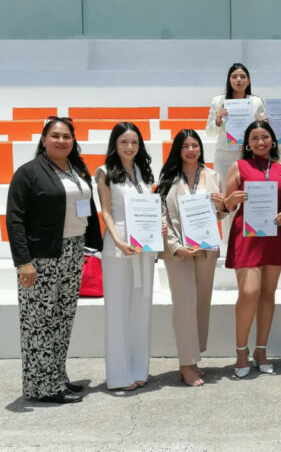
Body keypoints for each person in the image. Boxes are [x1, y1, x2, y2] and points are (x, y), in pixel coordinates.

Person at [7, 117, 102, 403]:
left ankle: (57, 377)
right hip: (41, 257)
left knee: (62, 319)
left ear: (73, 140)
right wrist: (24, 262)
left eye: (66, 136)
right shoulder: (29, 172)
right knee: (38, 322)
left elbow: (86, 208)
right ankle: (41, 387)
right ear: (44, 139)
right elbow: (15, 219)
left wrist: (93, 245)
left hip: (73, 252)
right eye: (55, 136)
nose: (61, 141)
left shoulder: (76, 169)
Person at [156, 129, 228, 387]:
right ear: (178, 149)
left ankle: (192, 358)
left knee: (200, 305)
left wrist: (222, 205)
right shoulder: (168, 179)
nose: (190, 150)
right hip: (178, 253)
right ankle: (186, 364)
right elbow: (162, 216)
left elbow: (220, 213)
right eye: (185, 145)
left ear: (200, 148)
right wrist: (176, 247)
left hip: (206, 250)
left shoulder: (213, 176)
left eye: (194, 145)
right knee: (184, 305)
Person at [223, 121, 281, 378]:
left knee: (267, 294)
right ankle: (241, 351)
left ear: (273, 140)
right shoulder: (239, 166)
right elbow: (225, 207)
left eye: (265, 137)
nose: (260, 142)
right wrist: (231, 200)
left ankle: (261, 351)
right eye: (254, 138)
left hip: (275, 233)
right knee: (249, 292)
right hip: (247, 235)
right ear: (247, 143)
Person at [95, 123, 156, 391]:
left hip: (144, 247)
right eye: (124, 142)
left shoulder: (144, 172)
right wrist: (118, 241)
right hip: (118, 246)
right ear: (115, 144)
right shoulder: (104, 172)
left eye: (134, 142)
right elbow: (106, 211)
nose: (129, 147)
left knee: (141, 309)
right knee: (118, 311)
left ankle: (139, 368)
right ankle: (119, 375)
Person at [205, 63, 266, 248]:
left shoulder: (256, 102)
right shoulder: (218, 101)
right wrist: (217, 119)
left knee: (249, 197)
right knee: (226, 200)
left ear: (248, 80)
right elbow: (209, 132)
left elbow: (262, 128)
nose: (238, 80)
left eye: (242, 77)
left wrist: (262, 123)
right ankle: (228, 244)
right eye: (234, 76)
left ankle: (249, 242)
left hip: (248, 155)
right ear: (229, 80)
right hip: (224, 156)